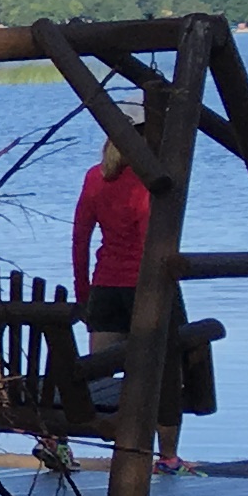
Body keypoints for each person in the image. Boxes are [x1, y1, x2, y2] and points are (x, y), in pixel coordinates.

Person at [70, 137, 186, 471]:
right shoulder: (151, 182)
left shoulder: (96, 177)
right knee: (167, 373)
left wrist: (83, 291)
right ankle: (167, 456)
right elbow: (153, 241)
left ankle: (62, 439)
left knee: (97, 374)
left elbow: (80, 238)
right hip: (147, 289)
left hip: (105, 288)